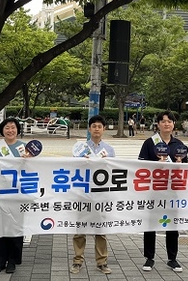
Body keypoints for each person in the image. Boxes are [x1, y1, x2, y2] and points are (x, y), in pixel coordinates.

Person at [138, 111, 188, 273]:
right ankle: (149, 257)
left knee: (172, 225)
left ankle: (172, 258)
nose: (167, 124)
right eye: (163, 121)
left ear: (174, 124)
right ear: (158, 124)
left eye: (169, 121)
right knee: (151, 224)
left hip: (173, 191)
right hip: (154, 190)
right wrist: (157, 164)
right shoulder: (149, 143)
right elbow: (141, 166)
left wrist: (179, 163)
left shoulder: (179, 145)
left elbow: (187, 169)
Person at [70, 115, 115, 275]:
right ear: (89, 129)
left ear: (104, 129)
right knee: (80, 230)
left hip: (101, 195)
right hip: (83, 193)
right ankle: (77, 261)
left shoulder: (109, 150)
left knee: (101, 230)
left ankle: (102, 262)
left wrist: (107, 162)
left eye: (99, 126)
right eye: (94, 126)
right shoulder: (80, 149)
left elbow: (114, 171)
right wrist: (81, 161)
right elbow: (72, 169)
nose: (96, 129)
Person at [0, 117, 27, 274]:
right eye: (7, 128)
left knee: (15, 227)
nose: (10, 130)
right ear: (2, 131)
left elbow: (34, 169)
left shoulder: (25, 148)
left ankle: (13, 260)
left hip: (18, 194)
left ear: (17, 130)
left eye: (13, 127)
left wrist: (29, 160)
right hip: (0, 193)